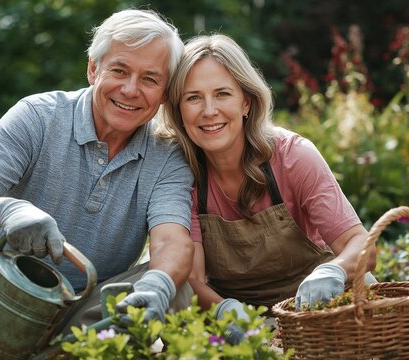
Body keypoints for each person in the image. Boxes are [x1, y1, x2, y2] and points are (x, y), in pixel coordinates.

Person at [0, 9, 194, 359]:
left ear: (164, 92)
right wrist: (7, 210)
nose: (130, 90)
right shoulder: (38, 117)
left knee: (176, 287)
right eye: (119, 70)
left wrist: (159, 285)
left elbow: (172, 240)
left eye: (150, 79)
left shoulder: (167, 154)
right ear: (92, 70)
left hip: (79, 305)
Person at [159, 34, 377, 342]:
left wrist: (334, 271)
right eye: (193, 97)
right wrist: (226, 312)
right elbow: (191, 278)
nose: (209, 111)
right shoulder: (183, 173)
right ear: (179, 109)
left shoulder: (292, 156)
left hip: (314, 305)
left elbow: (361, 245)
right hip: (235, 315)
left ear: (246, 102)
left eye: (222, 94)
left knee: (364, 281)